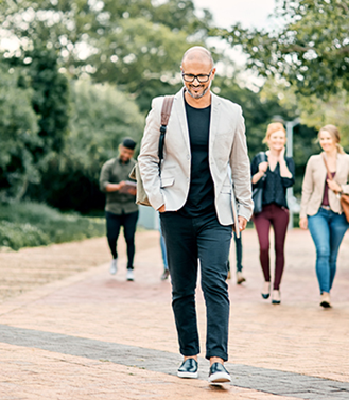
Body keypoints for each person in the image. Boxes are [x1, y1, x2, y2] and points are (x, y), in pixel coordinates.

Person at [138, 46, 253, 384]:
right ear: (181, 72)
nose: (195, 82)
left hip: (216, 213)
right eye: (189, 75)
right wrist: (158, 198)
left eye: (202, 76)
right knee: (182, 287)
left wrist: (244, 207)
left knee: (215, 283)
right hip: (175, 210)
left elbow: (240, 163)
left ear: (213, 74)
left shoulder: (231, 112)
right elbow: (147, 158)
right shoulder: (163, 107)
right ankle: (189, 355)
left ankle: (217, 360)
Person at [299, 124, 349, 308]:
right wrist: (303, 214)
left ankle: (328, 289)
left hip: (340, 214)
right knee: (323, 251)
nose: (325, 142)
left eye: (328, 138)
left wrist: (340, 188)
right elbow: (306, 189)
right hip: (317, 212)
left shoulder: (348, 160)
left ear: (336, 140)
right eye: (322, 139)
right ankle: (324, 293)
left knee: (333, 255)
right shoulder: (314, 161)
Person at [250, 122, 295, 304]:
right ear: (268, 139)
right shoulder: (259, 158)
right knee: (263, 246)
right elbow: (250, 182)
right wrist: (261, 172)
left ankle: (276, 288)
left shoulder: (288, 160)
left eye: (281, 138)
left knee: (279, 248)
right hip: (262, 210)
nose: (278, 141)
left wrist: (282, 160)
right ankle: (266, 280)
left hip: (281, 211)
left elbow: (289, 182)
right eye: (275, 137)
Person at [99, 138, 139, 282]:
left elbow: (143, 186)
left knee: (130, 238)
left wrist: (136, 191)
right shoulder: (109, 165)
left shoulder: (136, 166)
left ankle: (130, 267)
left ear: (132, 152)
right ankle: (114, 257)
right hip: (113, 208)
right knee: (111, 237)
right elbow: (103, 185)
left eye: (129, 153)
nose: (126, 155)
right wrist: (119, 187)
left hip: (130, 208)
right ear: (120, 148)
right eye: (124, 151)